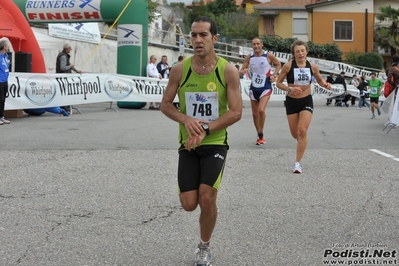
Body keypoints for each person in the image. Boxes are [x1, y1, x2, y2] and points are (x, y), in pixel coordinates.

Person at [160, 16, 242, 266]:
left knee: (207, 199)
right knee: (188, 204)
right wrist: (185, 119)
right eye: (193, 35)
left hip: (215, 143)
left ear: (214, 39)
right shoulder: (180, 69)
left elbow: (236, 112)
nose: (197, 40)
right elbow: (165, 105)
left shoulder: (227, 70)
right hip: (188, 145)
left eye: (203, 35)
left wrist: (207, 128)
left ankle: (204, 247)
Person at [276, 40, 332, 174]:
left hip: (306, 101)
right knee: (295, 133)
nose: (300, 53)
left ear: (306, 51)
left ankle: (297, 163)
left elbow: (319, 80)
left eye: (302, 51)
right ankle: (301, 140)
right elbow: (278, 83)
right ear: (294, 53)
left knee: (302, 130)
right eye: (297, 51)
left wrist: (325, 84)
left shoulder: (312, 66)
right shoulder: (288, 66)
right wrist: (290, 89)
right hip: (291, 102)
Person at [239, 37, 281, 145]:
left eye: (258, 44)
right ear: (252, 46)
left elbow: (278, 64)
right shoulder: (250, 57)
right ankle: (259, 134)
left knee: (261, 110)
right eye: (254, 44)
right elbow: (242, 69)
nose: (256, 46)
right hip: (254, 87)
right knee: (254, 114)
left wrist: (274, 75)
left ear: (261, 44)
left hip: (266, 86)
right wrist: (242, 71)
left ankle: (261, 133)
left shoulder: (268, 55)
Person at [56, 43, 82, 113]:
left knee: (64, 92)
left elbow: (68, 64)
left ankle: (64, 108)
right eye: (70, 48)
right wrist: (70, 67)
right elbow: (63, 67)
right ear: (67, 49)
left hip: (63, 77)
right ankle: (65, 108)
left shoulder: (64, 55)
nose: (71, 49)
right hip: (63, 77)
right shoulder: (64, 56)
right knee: (65, 92)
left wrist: (76, 70)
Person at [0, 40, 10, 125]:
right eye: (7, 45)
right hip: (0, 80)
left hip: (5, 80)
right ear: (3, 46)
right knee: (0, 99)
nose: (8, 47)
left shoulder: (6, 56)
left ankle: (1, 116)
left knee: (3, 99)